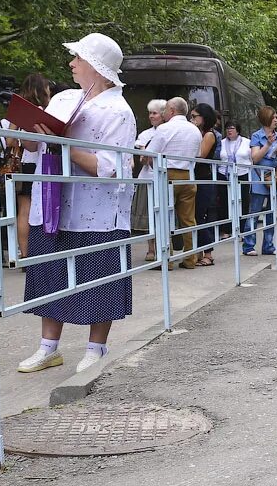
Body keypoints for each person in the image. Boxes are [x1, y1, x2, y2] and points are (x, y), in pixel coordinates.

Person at [16, 33, 136, 375]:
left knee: (98, 276)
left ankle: (96, 349)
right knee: (52, 271)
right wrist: (32, 133)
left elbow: (111, 167)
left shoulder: (119, 111)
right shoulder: (66, 98)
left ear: (96, 66)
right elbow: (34, 147)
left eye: (78, 58)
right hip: (53, 200)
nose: (71, 63)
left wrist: (63, 142)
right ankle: (48, 348)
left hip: (97, 209)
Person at [0, 73, 51, 262]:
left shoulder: (19, 112)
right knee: (36, 209)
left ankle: (24, 253)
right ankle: (36, 252)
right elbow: (38, 143)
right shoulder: (41, 111)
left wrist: (20, 138)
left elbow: (9, 140)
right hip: (37, 162)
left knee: (23, 209)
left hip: (22, 164)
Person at [153, 97, 204, 269]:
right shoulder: (195, 130)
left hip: (168, 175)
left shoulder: (164, 128)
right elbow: (197, 154)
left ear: (172, 111)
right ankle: (190, 259)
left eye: (165, 109)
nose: (163, 112)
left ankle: (166, 261)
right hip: (188, 176)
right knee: (188, 219)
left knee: (164, 218)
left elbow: (152, 152)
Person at [244, 106, 277, 256]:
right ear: (266, 119)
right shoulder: (257, 136)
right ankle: (248, 246)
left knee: (272, 213)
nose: (276, 120)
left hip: (276, 177)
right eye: (273, 117)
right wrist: (268, 144)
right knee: (254, 211)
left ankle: (268, 246)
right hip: (260, 177)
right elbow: (255, 158)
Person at [132, 99, 167, 260]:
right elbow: (143, 159)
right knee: (149, 215)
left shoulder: (168, 131)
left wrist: (148, 151)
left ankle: (164, 247)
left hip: (164, 177)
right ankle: (151, 249)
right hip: (148, 178)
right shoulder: (145, 134)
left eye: (155, 113)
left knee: (164, 214)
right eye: (150, 113)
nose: (151, 116)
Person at [189, 103, 222, 266]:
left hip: (204, 178)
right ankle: (198, 252)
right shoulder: (200, 133)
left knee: (200, 215)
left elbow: (200, 154)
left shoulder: (209, 135)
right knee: (195, 215)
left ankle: (208, 253)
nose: (192, 119)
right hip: (196, 177)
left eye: (195, 116)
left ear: (204, 117)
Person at [218, 121, 252, 243]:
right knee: (225, 202)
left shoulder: (246, 142)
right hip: (224, 175)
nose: (229, 130)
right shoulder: (221, 143)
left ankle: (242, 229)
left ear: (238, 130)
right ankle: (226, 230)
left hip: (242, 174)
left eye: (232, 128)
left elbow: (251, 158)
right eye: (227, 128)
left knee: (243, 202)